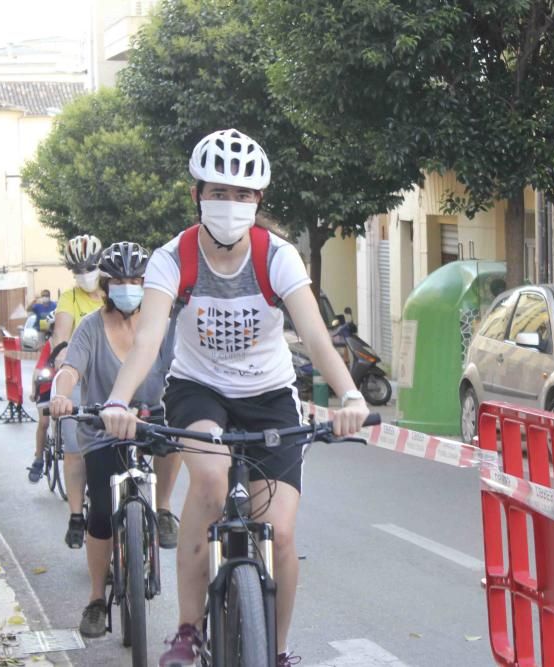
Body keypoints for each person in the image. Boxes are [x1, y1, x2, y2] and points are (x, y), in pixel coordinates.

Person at [100, 129, 369, 667]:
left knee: (282, 531)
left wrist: (349, 396)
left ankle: (280, 649)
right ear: (197, 194)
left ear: (259, 201)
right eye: (219, 192)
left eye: (243, 194)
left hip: (270, 394)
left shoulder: (279, 257)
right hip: (199, 391)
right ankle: (186, 630)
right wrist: (118, 401)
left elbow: (314, 335)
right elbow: (149, 337)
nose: (231, 204)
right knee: (210, 480)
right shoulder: (173, 258)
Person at [51, 241, 182, 638]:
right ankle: (95, 599)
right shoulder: (90, 325)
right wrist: (60, 393)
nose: (128, 287)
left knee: (174, 434)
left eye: (136, 280)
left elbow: (182, 368)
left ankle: (161, 509)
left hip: (152, 422)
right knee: (102, 513)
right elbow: (71, 368)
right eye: (120, 280)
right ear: (106, 285)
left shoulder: (163, 323)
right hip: (101, 430)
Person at [26, 236, 104, 528]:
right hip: (79, 377)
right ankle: (75, 515)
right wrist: (61, 358)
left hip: (114, 377)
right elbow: (61, 333)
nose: (85, 273)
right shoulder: (70, 297)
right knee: (73, 447)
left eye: (90, 267)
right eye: (78, 269)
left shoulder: (114, 292)